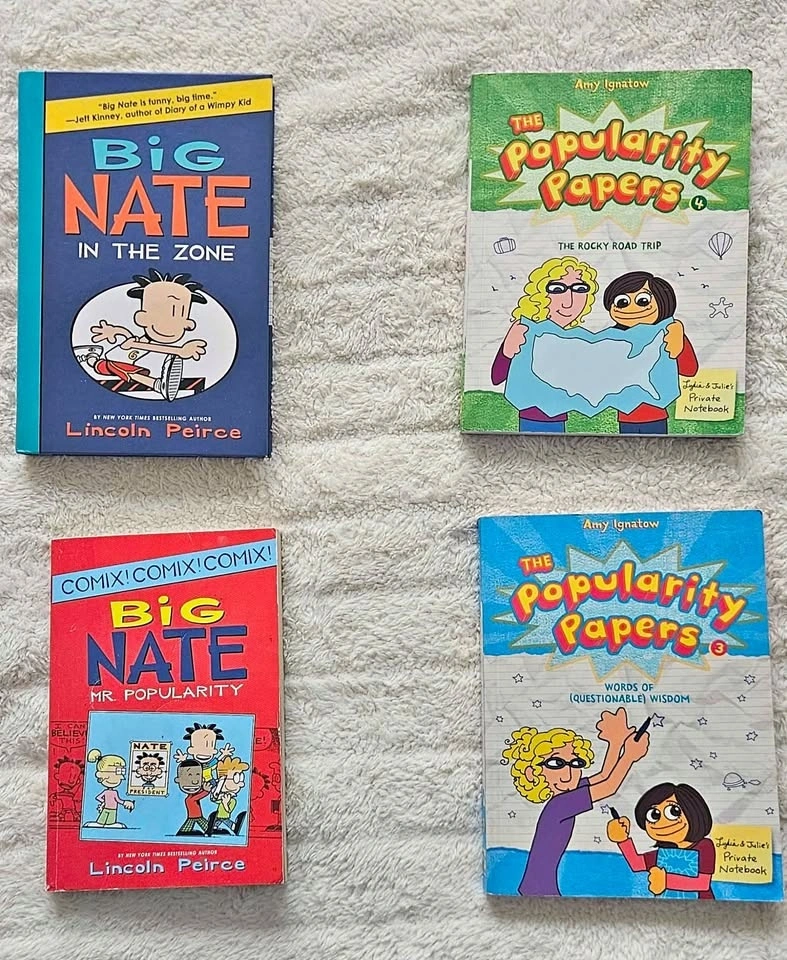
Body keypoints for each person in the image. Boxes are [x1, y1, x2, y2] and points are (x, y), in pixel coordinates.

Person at [502, 708, 649, 896]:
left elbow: (603, 776)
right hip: (540, 888)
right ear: (532, 773)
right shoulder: (559, 806)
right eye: (556, 764)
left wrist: (616, 742)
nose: (568, 773)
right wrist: (629, 756)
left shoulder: (567, 793)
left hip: (540, 886)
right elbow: (609, 787)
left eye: (576, 763)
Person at [491, 256, 598, 432]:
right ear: (540, 293)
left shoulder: (578, 338)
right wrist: (507, 352)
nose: (569, 301)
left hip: (562, 416)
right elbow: (497, 377)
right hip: (531, 416)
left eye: (580, 289)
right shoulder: (525, 330)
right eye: (557, 289)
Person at [86, 269, 208, 401]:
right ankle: (157, 385)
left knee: (129, 370)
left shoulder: (137, 340)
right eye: (170, 312)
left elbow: (127, 334)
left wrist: (113, 331)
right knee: (129, 372)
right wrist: (179, 351)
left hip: (119, 365)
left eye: (181, 314)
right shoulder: (132, 343)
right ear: (142, 317)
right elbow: (148, 347)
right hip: (108, 365)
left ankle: (92, 358)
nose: (189, 325)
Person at [602, 271, 698, 434]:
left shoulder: (670, 334)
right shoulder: (613, 337)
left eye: (643, 301)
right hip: (625, 412)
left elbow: (689, 370)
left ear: (662, 302)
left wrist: (678, 342)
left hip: (656, 412)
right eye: (622, 302)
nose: (631, 309)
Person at [607, 782, 715, 898]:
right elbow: (637, 864)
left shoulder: (704, 846)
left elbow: (703, 883)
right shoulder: (663, 854)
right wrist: (622, 840)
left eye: (674, 812)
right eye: (654, 815)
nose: (662, 823)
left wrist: (666, 881)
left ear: (693, 812)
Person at [83, 749, 135, 828]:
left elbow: (115, 800)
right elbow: (114, 800)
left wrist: (123, 803)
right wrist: (104, 802)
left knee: (109, 822)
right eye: (118, 772)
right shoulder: (109, 792)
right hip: (108, 808)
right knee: (102, 822)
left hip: (112, 809)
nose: (121, 777)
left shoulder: (114, 792)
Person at [174, 759, 211, 835]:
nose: (195, 781)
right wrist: (206, 791)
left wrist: (204, 789)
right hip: (193, 816)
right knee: (189, 827)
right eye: (189, 775)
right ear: (178, 780)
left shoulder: (190, 797)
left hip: (197, 816)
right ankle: (183, 832)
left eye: (198, 775)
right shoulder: (189, 799)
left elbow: (197, 794)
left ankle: (211, 830)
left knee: (204, 825)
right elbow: (198, 796)